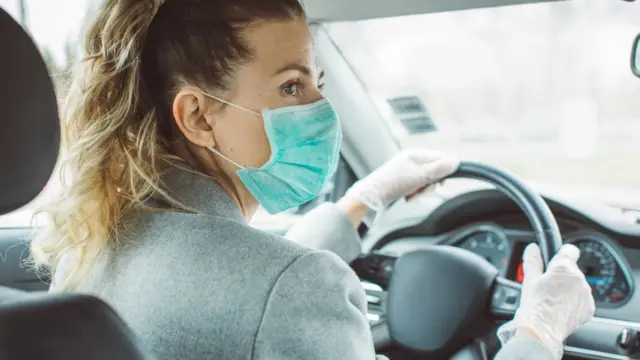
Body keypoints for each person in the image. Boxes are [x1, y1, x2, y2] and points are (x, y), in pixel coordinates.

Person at [28, 0, 593, 359]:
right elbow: (269, 291)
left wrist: (361, 202)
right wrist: (539, 332)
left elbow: (240, 283)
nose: (324, 111)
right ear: (198, 116)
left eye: (318, 81)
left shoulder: (94, 243)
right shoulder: (299, 289)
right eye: (293, 87)